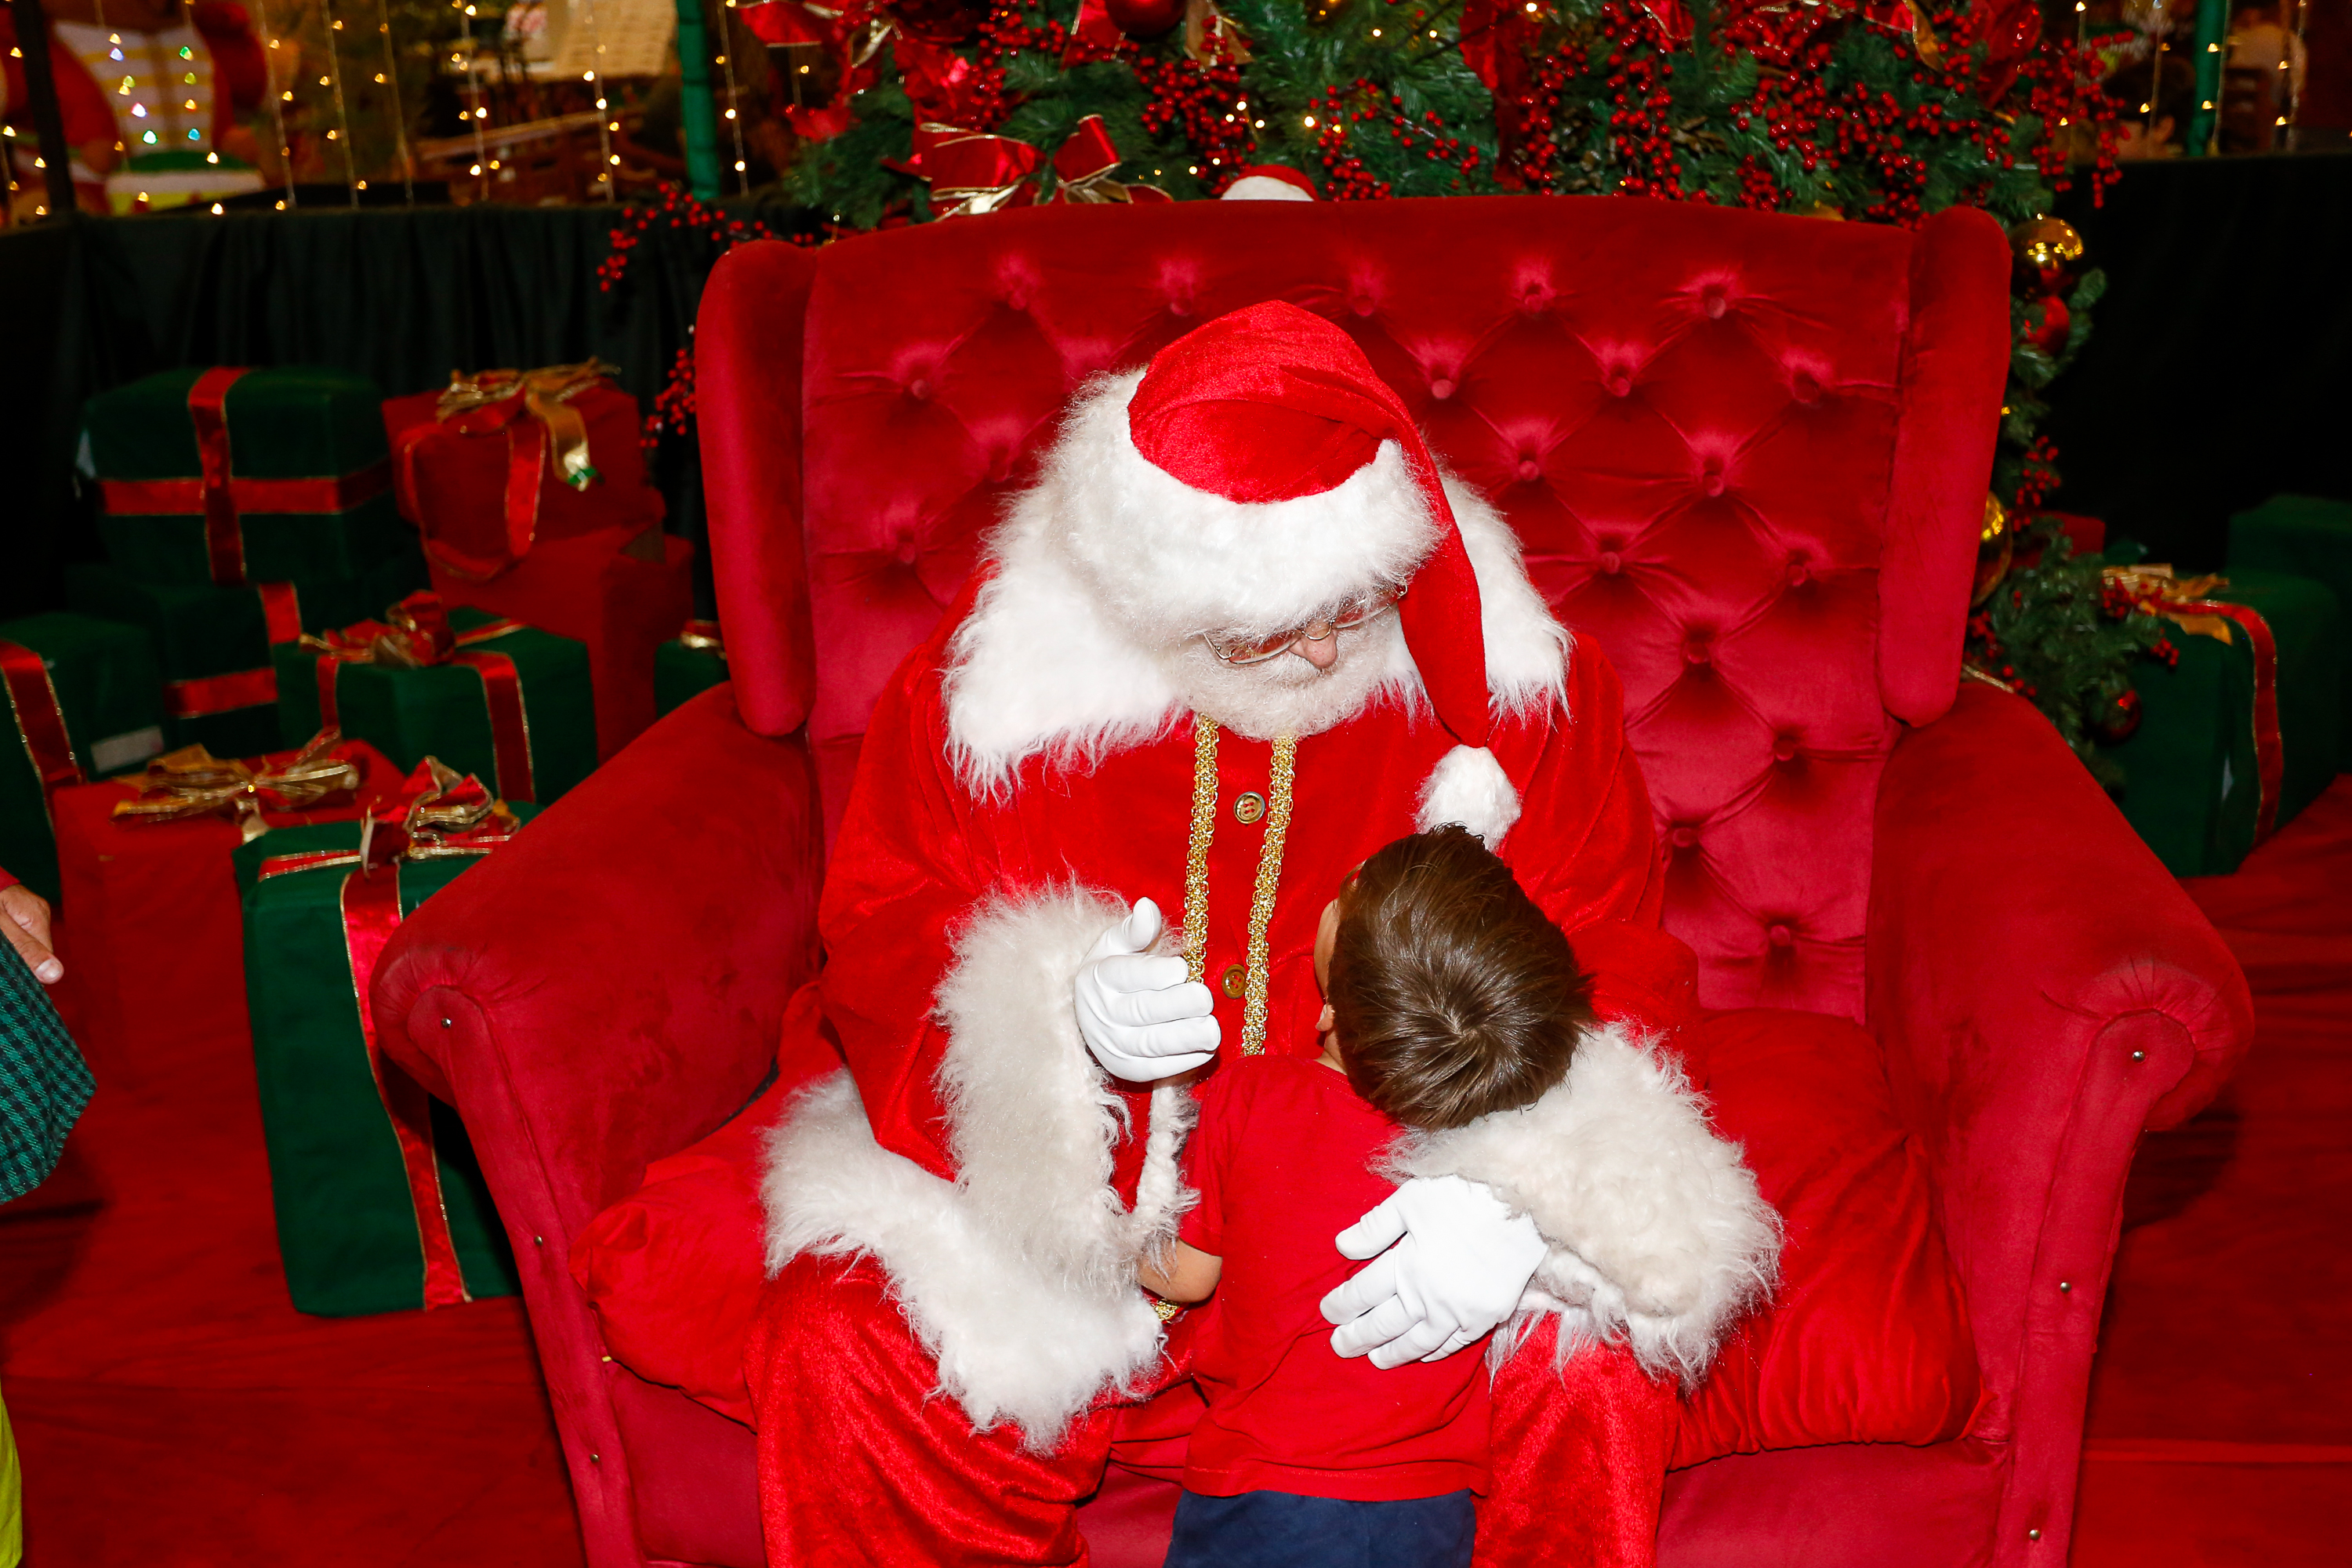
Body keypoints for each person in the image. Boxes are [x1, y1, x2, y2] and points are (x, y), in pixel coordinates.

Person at [751, 299, 1780, 1567]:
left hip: (1377, 1219)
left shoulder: (1514, 684)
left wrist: (1529, 1192)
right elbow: (883, 917)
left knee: (1597, 1346)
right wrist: (1048, 1034)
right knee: (838, 1343)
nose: (1311, 654)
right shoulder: (992, 690)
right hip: (1093, 1210)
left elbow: (1611, 940)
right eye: (1252, 631)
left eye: (1350, 608)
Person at [1141, 827, 1596, 1568]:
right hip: (1426, 1507)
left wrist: (1094, 1232)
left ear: (1332, 997)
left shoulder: (1251, 1095)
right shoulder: (1493, 1137)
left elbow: (1187, 1275)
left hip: (1260, 1490)